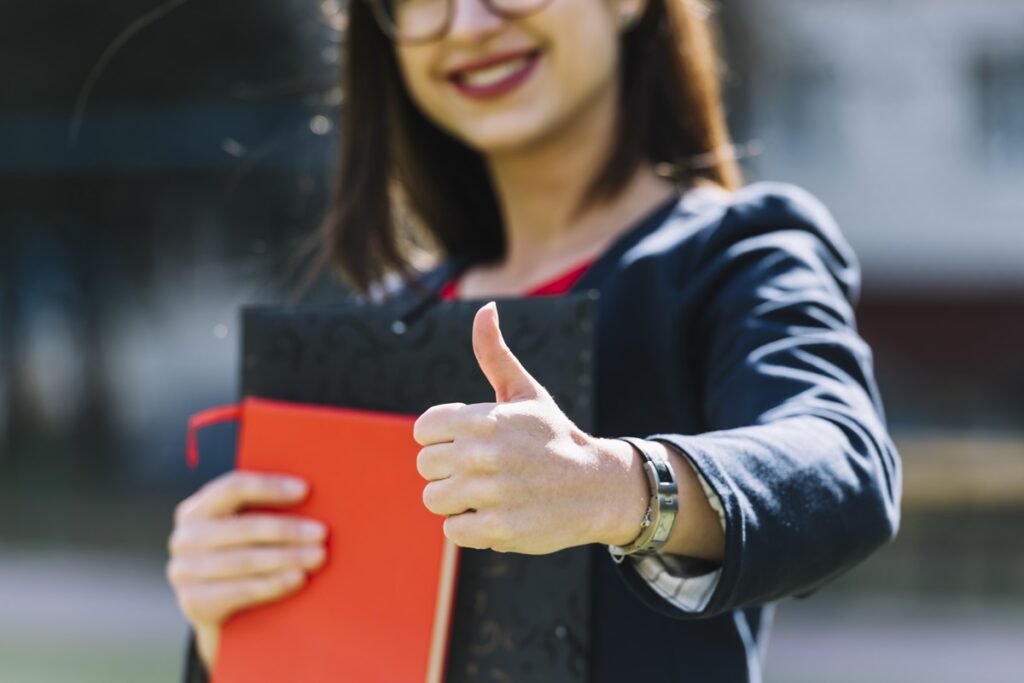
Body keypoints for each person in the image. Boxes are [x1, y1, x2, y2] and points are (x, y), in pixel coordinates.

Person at [167, 0, 903, 680]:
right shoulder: (390, 316)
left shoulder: (738, 252)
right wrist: (225, 619)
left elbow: (844, 462)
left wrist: (620, 487)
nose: (469, 21)